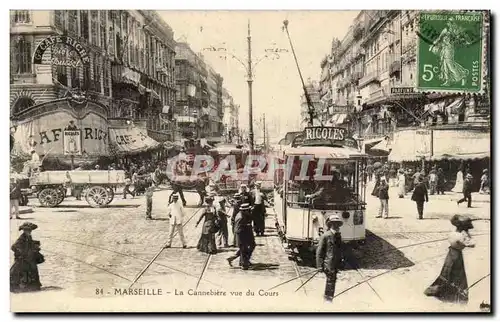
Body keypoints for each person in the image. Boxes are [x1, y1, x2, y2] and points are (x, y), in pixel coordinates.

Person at [424, 215, 475, 303]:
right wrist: (467, 234)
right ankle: (453, 294)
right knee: (458, 274)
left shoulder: (452, 233)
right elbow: (472, 244)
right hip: (457, 256)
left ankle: (441, 289)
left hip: (451, 253)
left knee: (447, 271)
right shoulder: (461, 236)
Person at [316, 215, 343, 302]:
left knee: (332, 280)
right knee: (330, 281)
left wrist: (341, 261)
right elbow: (319, 252)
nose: (337, 226)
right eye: (334, 224)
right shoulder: (325, 236)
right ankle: (328, 299)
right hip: (328, 264)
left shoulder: (338, 236)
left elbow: (340, 250)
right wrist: (319, 266)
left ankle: (328, 298)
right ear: (330, 225)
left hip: (335, 263)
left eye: (338, 224)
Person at [10, 222, 43, 292]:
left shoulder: (29, 236)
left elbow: (29, 244)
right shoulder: (21, 238)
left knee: (32, 269)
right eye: (27, 230)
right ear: (24, 230)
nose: (29, 231)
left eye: (30, 230)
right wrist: (21, 252)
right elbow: (14, 247)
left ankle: (32, 285)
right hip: (22, 258)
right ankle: (18, 286)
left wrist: (35, 245)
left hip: (29, 257)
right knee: (19, 271)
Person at [227, 203, 255, 269]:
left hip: (244, 234)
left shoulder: (242, 214)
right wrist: (247, 226)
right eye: (248, 210)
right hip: (241, 235)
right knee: (244, 249)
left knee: (246, 248)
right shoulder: (241, 217)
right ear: (245, 211)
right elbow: (239, 228)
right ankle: (244, 264)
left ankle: (235, 259)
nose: (249, 211)